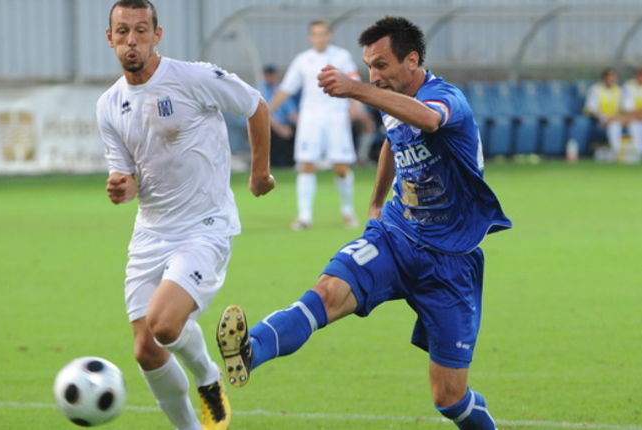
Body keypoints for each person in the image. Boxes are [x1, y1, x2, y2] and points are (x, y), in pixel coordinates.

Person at [216, 16, 511, 430]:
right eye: (369, 66)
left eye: (381, 65)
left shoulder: (446, 98)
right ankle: (252, 348)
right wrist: (375, 203)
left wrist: (357, 89)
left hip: (450, 261)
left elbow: (427, 120)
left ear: (412, 60)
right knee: (328, 291)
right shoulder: (392, 100)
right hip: (395, 237)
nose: (374, 75)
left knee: (449, 397)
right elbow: (393, 141)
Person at [96, 1, 275, 429]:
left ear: (157, 35)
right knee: (145, 350)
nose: (131, 40)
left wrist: (259, 172)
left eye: (141, 30)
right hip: (150, 232)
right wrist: (122, 187)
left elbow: (255, 105)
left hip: (204, 226)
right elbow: (129, 176)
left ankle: (208, 376)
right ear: (110, 38)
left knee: (163, 324)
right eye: (123, 31)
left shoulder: (193, 78)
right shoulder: (109, 105)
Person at [268, 20, 362, 231]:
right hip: (310, 118)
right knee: (306, 164)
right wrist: (267, 110)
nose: (320, 38)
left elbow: (355, 81)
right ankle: (304, 216)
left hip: (336, 116)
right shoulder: (303, 60)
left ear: (329, 35)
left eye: (323, 33)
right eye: (316, 34)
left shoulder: (342, 56)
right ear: (311, 37)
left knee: (340, 167)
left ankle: (348, 211)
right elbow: (287, 88)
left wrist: (356, 104)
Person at [259, 64, 298, 167]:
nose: (271, 77)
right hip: (266, 124)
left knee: (294, 131)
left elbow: (291, 112)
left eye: (272, 75)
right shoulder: (259, 90)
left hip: (283, 124)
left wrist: (302, 126)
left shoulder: (280, 90)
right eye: (268, 75)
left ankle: (292, 162)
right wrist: (280, 128)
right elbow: (264, 114)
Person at [585, 67, 627, 154]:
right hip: (600, 120)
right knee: (614, 126)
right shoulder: (595, 89)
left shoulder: (619, 90)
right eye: (609, 76)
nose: (611, 79)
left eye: (613, 76)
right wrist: (603, 118)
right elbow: (591, 108)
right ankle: (617, 152)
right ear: (604, 78)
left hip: (616, 118)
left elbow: (624, 108)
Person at [623, 66, 642, 155]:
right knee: (634, 125)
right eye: (640, 75)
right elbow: (628, 108)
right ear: (636, 75)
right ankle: (637, 151)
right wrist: (639, 114)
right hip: (631, 116)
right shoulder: (628, 86)